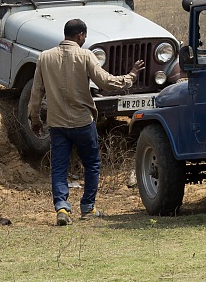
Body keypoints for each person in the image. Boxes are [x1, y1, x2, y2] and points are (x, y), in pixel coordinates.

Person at [29, 19, 145, 226]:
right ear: (80, 35)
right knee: (92, 164)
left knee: (59, 167)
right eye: (85, 36)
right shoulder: (85, 56)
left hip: (57, 125)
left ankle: (62, 207)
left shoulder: (44, 58)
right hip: (82, 121)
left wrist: (35, 120)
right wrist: (131, 76)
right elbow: (106, 82)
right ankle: (87, 207)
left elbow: (36, 93)